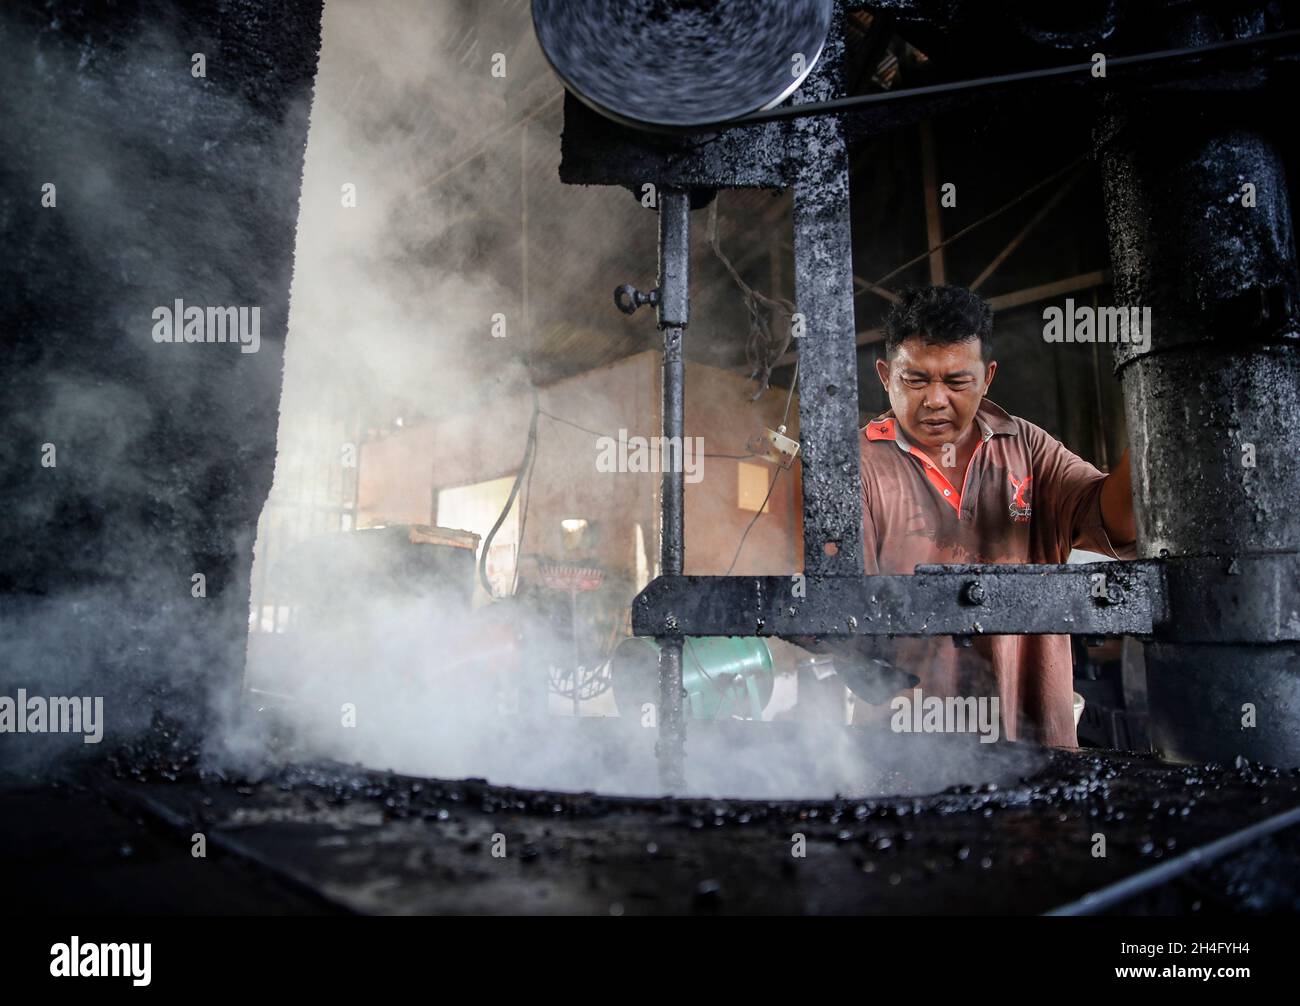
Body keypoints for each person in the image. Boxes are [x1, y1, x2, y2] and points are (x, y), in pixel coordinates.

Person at [856, 284, 1137, 747]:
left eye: (957, 382)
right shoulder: (860, 463)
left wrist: (1152, 432)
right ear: (886, 375)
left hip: (1034, 731)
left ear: (987, 378)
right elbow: (846, 607)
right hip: (909, 743)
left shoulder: (1027, 447)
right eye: (917, 380)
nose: (935, 400)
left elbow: (1115, 524)